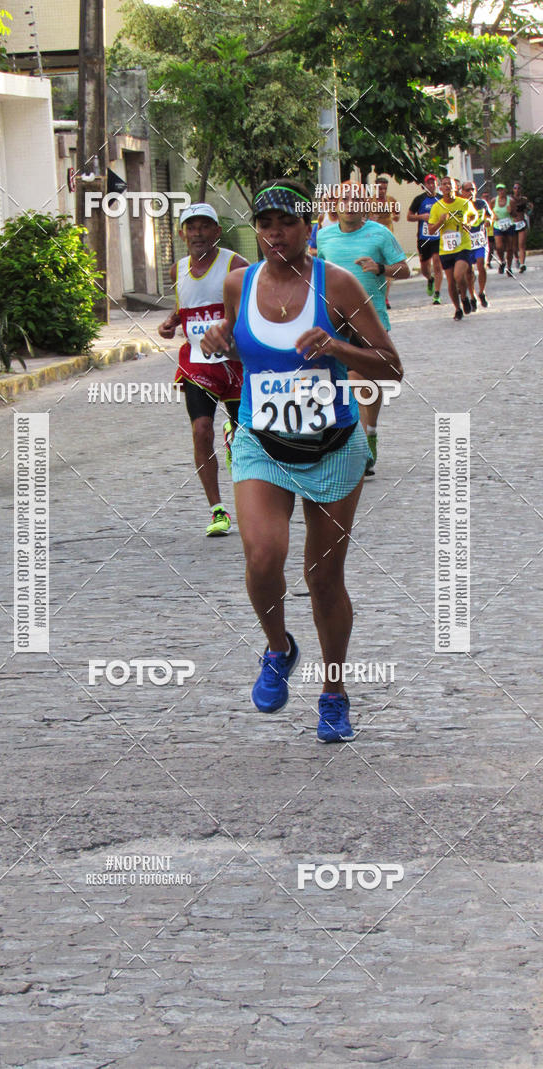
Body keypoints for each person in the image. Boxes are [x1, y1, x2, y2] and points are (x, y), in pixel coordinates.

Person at [201, 179, 403, 742]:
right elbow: (246, 349)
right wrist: (222, 339)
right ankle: (278, 647)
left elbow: (391, 365)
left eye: (286, 223)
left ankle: (334, 692)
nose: (275, 234)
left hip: (334, 447)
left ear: (307, 228)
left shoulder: (334, 282)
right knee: (264, 557)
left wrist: (337, 348)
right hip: (262, 441)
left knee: (322, 577)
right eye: (265, 225)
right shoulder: (238, 282)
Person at [158, 203, 248, 536]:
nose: (197, 233)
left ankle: (236, 448)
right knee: (200, 430)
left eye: (204, 226)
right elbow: (185, 307)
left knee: (245, 439)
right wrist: (171, 322)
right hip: (198, 363)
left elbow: (253, 303)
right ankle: (217, 510)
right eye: (190, 227)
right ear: (182, 234)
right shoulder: (176, 270)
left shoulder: (235, 265)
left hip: (236, 361)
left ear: (216, 231)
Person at [316, 181, 409, 477]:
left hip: (371, 319)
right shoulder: (324, 236)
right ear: (336, 203)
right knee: (349, 381)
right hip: (335, 322)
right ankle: (354, 442)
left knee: (365, 383)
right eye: (345, 198)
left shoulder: (379, 234)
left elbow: (404, 269)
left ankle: (370, 432)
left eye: (356, 199)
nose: (350, 203)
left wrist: (380, 269)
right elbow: (317, 272)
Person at [428, 175, 478, 321]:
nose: (447, 187)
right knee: (450, 281)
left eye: (450, 184)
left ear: (455, 187)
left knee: (458, 275)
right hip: (446, 249)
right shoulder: (437, 207)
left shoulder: (464, 203)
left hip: (463, 246)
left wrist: (469, 223)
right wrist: (440, 222)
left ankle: (464, 296)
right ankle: (457, 309)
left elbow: (473, 215)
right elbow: (431, 230)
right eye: (444, 184)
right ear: (440, 188)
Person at [407, 174, 442, 304]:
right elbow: (409, 217)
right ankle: (430, 279)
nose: (431, 186)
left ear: (436, 185)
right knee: (424, 268)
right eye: (429, 183)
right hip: (424, 237)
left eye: (433, 183)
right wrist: (421, 217)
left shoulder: (441, 199)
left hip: (438, 236)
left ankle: (437, 294)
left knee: (437, 263)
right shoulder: (419, 200)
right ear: (425, 185)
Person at [368, 176, 400, 309]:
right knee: (375, 268)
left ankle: (385, 298)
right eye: (380, 188)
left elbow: (397, 216)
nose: (382, 191)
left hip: (388, 237)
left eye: (385, 188)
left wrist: (395, 216)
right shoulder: (370, 202)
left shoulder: (391, 200)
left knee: (387, 269)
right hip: (374, 238)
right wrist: (371, 219)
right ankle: (375, 295)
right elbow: (365, 219)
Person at [461, 180, 493, 309]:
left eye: (473, 189)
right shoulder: (460, 205)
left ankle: (482, 292)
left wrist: (488, 221)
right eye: (467, 190)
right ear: (462, 192)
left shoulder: (481, 203)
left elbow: (490, 216)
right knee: (468, 271)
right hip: (466, 243)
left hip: (480, 241)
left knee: (481, 265)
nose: (471, 192)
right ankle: (472, 296)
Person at [492, 183, 515, 276]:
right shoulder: (494, 201)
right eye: (498, 190)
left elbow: (515, 215)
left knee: (509, 248)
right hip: (498, 225)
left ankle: (509, 268)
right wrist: (493, 216)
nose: (500, 191)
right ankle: (502, 261)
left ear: (505, 190)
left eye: (502, 190)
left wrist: (511, 212)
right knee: (499, 246)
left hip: (509, 225)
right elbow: (489, 212)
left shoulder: (511, 201)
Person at [510, 182, 533, 273]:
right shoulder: (510, 199)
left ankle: (522, 264)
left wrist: (531, 209)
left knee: (522, 245)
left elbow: (528, 211)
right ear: (513, 189)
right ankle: (516, 258)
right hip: (513, 224)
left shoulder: (524, 200)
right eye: (515, 188)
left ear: (521, 189)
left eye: (518, 188)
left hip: (521, 223)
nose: (517, 190)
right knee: (514, 247)